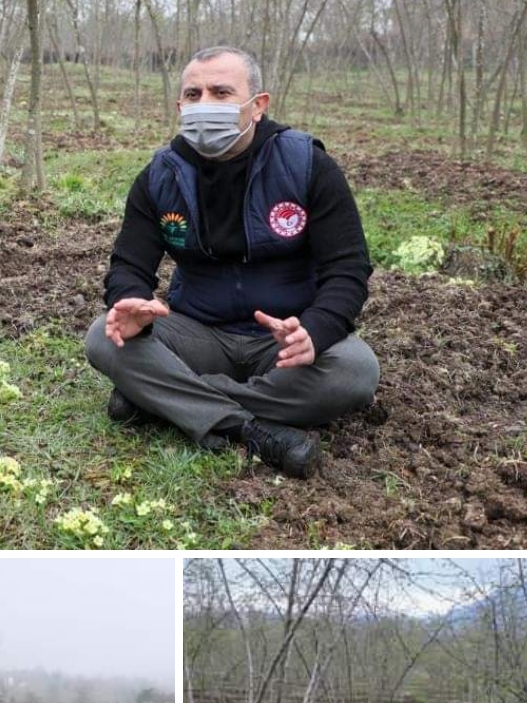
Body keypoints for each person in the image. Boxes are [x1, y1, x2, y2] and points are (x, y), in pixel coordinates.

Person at [84, 45, 379, 479]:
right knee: (102, 338)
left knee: (356, 371)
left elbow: (348, 268)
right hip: (197, 334)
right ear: (180, 106)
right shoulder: (160, 176)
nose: (205, 105)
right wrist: (129, 301)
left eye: (221, 93)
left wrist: (315, 331)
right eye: (194, 94)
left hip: (282, 341)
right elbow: (129, 261)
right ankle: (251, 429)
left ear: (257, 105)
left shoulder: (306, 165)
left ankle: (163, 399)